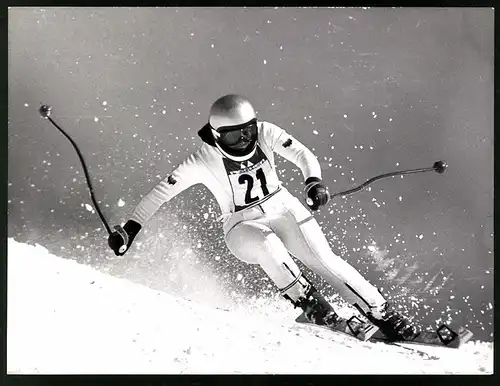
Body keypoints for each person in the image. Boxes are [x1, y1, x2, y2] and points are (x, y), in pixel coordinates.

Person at [108, 94, 418, 341]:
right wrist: (130, 229)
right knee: (270, 246)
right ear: (217, 136)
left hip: (283, 207)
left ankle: (386, 316)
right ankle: (310, 304)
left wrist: (313, 180)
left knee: (326, 260)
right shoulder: (203, 159)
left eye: (248, 131)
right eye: (234, 136)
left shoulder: (267, 133)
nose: (244, 140)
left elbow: (302, 154)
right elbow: (162, 192)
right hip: (242, 226)